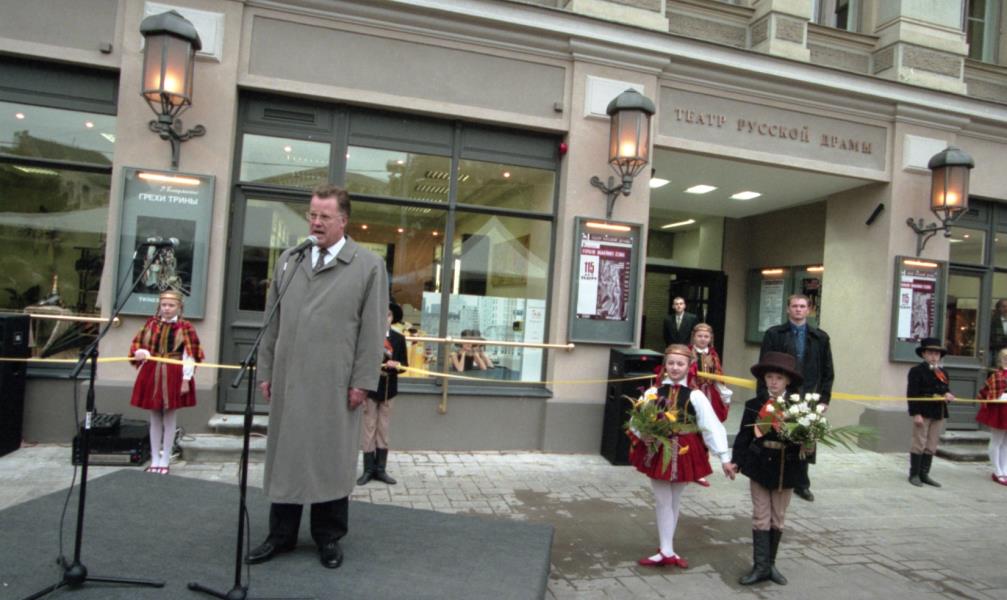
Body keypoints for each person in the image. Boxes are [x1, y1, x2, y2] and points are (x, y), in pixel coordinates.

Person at [249, 184, 388, 570]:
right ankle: (281, 535)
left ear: (344, 220)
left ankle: (328, 537)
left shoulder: (367, 266)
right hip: (290, 380)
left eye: (325, 216)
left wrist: (362, 381)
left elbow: (372, 332)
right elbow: (272, 321)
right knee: (287, 457)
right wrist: (266, 370)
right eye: (312, 214)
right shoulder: (290, 260)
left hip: (335, 384)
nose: (316, 222)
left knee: (330, 458)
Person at [627, 344, 733, 569]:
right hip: (659, 449)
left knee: (674, 500)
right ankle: (666, 549)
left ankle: (667, 548)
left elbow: (711, 426)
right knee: (663, 500)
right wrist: (644, 434)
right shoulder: (653, 392)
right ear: (664, 365)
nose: (675, 368)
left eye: (680, 364)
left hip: (685, 450)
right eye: (671, 363)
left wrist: (724, 457)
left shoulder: (696, 396)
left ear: (689, 366)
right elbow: (636, 419)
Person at [730, 352, 807, 586]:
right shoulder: (755, 405)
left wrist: (805, 445)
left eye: (779, 378)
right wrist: (736, 461)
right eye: (769, 377)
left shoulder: (799, 407)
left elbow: (808, 441)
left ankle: (770, 565)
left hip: (787, 467)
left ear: (788, 381)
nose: (773, 382)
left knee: (778, 517)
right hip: (759, 465)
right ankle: (760, 567)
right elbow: (744, 436)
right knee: (760, 516)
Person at [759, 294, 833, 502]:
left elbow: (828, 371)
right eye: (794, 306)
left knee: (805, 437)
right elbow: (764, 365)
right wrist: (765, 395)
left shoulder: (820, 337)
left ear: (808, 310)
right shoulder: (775, 334)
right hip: (783, 394)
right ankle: (774, 476)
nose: (798, 309)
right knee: (778, 435)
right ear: (788, 309)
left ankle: (801, 483)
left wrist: (824, 399)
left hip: (808, 395)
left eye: (802, 306)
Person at [128, 289, 204, 475]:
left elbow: (190, 354)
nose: (167, 308)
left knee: (169, 415)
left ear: (179, 307)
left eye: (171, 305)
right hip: (152, 371)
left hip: (174, 373)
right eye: (164, 305)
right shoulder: (151, 324)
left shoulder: (185, 327)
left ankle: (165, 459)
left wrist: (186, 379)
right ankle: (154, 458)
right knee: (154, 415)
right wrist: (141, 352)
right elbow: (139, 346)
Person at [357, 302, 408, 486]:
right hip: (371, 389)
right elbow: (360, 362)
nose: (385, 318)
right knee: (368, 429)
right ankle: (368, 470)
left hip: (388, 390)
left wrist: (397, 365)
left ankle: (380, 470)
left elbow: (404, 366)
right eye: (382, 314)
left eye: (388, 315)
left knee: (383, 430)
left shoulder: (399, 339)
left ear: (392, 318)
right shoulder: (368, 337)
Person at [906, 337, 954, 488]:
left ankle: (924, 474)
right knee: (919, 442)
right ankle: (914, 474)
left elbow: (945, 389)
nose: (934, 356)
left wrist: (948, 395)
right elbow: (912, 393)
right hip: (923, 411)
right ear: (924, 354)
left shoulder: (943, 372)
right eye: (931, 353)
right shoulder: (916, 371)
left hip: (938, 411)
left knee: (932, 443)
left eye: (937, 354)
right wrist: (916, 413)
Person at [977, 348, 1007, 486]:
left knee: (1006, 443)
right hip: (1000, 410)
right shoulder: (997, 375)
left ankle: (1004, 470)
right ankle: (997, 471)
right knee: (997, 440)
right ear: (1001, 360)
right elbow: (986, 392)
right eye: (1005, 358)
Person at [990, 300, 1007, 367]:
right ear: (999, 308)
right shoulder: (993, 321)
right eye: (1004, 306)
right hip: (998, 351)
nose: (1006, 309)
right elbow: (994, 338)